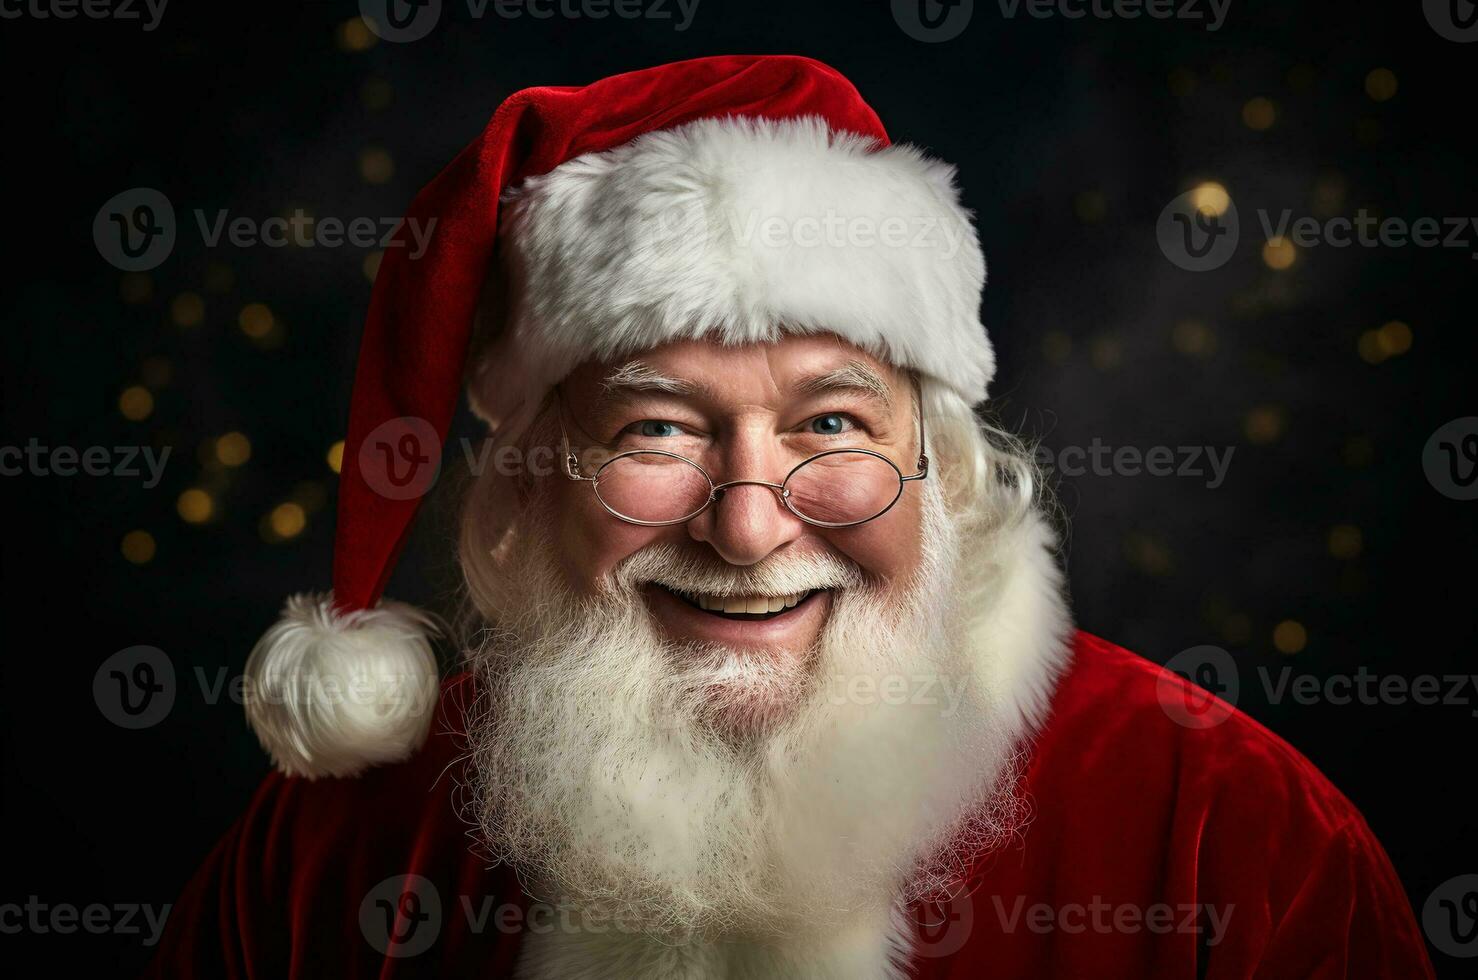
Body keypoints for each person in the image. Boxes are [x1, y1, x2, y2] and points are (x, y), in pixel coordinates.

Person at [144, 54, 1434, 979]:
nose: (750, 530)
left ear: (941, 460)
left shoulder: (1231, 833)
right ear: (529, 478)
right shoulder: (342, 848)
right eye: (657, 429)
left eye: (831, 425)